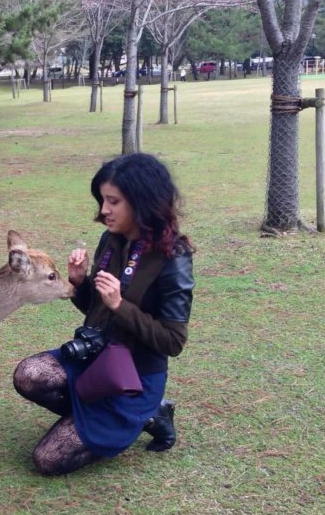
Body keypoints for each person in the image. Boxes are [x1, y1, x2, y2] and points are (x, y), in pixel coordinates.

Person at [13, 153, 195, 476]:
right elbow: (95, 309)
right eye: (102, 200)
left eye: (113, 201)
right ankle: (105, 416)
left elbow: (173, 341)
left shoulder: (173, 258)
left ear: (142, 202)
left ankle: (147, 414)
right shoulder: (110, 241)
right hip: (95, 359)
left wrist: (120, 306)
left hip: (134, 377)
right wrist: (81, 282)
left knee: (47, 459)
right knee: (28, 374)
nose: (104, 210)